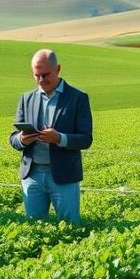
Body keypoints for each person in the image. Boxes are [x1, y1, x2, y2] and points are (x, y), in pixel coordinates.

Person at [9, 49, 93, 224]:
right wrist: (22, 140)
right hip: (32, 175)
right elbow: (14, 139)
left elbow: (86, 139)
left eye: (45, 75)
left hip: (64, 176)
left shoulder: (78, 98)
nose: (41, 80)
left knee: (71, 226)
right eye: (36, 75)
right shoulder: (26, 99)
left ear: (58, 69)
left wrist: (60, 138)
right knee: (34, 228)